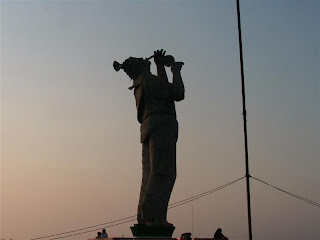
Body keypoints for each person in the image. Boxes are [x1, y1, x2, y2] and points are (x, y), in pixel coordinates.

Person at [120, 49, 185, 227]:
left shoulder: (141, 84)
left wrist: (159, 65)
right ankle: (153, 216)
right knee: (163, 173)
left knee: (149, 175)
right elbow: (177, 93)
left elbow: (164, 93)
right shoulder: (149, 80)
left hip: (149, 127)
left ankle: (144, 215)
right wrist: (175, 71)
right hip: (162, 126)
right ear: (141, 66)